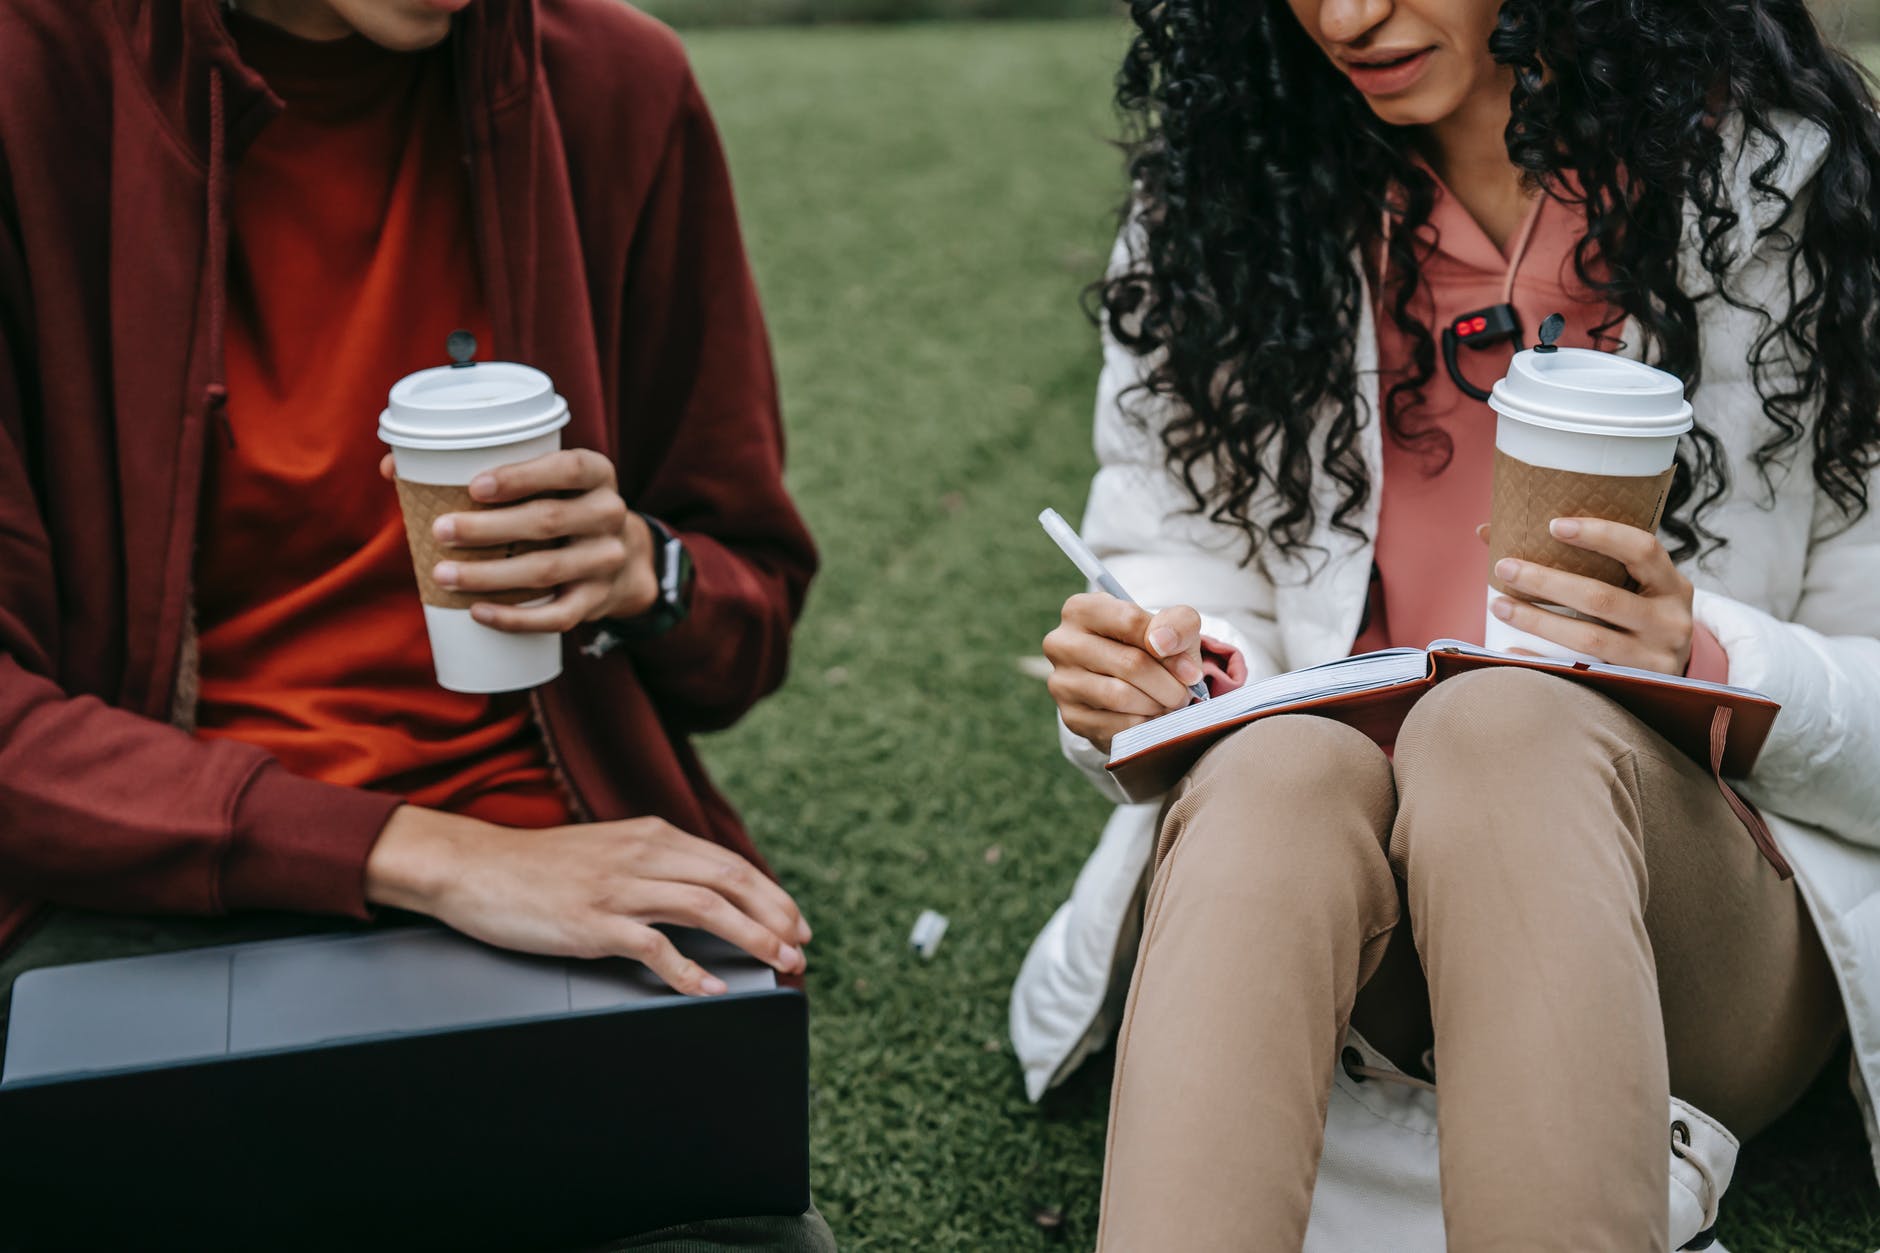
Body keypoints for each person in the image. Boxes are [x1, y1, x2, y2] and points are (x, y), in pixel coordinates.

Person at [1011, 0, 1880, 1248]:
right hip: (1345, 929)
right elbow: (1172, 561)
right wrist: (1170, 673)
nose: (1346, 16)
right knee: (1269, 763)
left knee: (1501, 725)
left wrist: (1702, 657)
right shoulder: (1229, 191)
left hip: (1696, 939)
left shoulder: (1793, 203)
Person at [0, 0, 830, 1246]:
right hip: (145, 870)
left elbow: (746, 611)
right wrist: (436, 857)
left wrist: (644, 571)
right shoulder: (30, 78)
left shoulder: (617, 84)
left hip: (560, 860)